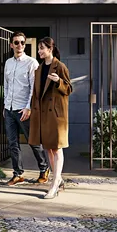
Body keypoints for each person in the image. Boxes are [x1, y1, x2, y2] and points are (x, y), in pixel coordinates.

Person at [29, 36, 73, 199]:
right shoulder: (39, 69)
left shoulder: (60, 66)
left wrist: (58, 81)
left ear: (50, 49)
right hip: (42, 114)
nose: (39, 51)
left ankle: (54, 184)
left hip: (55, 115)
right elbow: (36, 93)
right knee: (48, 147)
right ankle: (57, 178)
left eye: (42, 48)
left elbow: (69, 89)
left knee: (57, 147)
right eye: (39, 48)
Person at [3, 32, 49, 186]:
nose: (20, 45)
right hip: (9, 109)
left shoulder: (31, 63)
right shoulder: (8, 63)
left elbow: (33, 89)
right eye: (16, 42)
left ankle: (44, 169)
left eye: (22, 42)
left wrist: (28, 107)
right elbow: (7, 85)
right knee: (12, 143)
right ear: (11, 45)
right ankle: (18, 174)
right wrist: (5, 105)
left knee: (33, 141)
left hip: (23, 109)